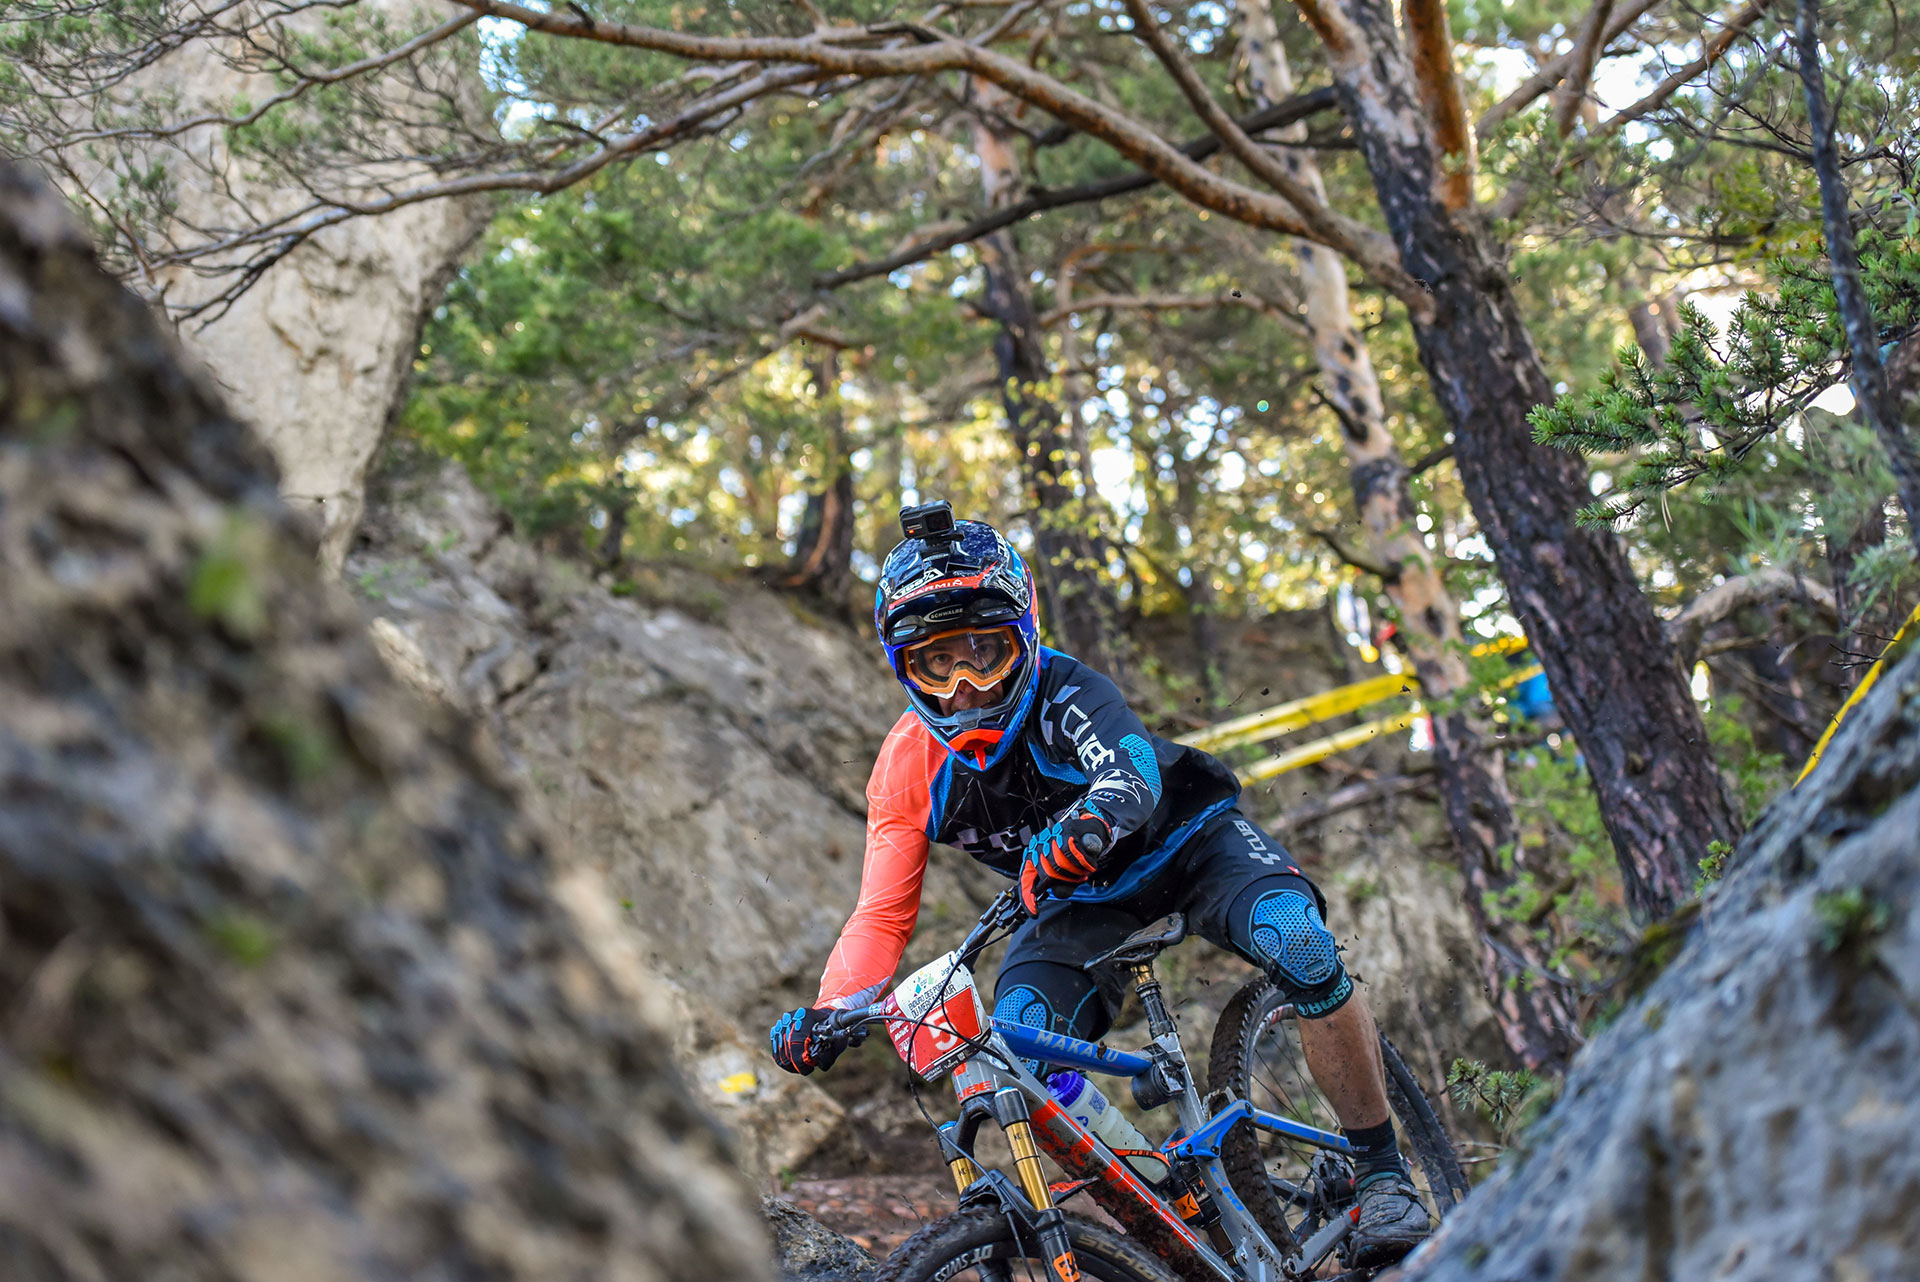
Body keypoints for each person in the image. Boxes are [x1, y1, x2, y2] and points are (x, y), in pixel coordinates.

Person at [766, 502, 1431, 1266]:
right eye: (935, 664)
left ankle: (1383, 1174)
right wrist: (831, 1011)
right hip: (1077, 906)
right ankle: (1178, 1213)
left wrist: (1088, 825)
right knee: (1008, 1044)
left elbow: (1134, 775)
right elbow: (880, 918)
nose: (965, 688)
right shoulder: (908, 768)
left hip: (1191, 846)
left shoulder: (1067, 690)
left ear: (1025, 637)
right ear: (901, 668)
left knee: (1301, 946)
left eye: (985, 652)